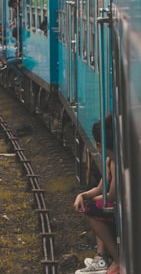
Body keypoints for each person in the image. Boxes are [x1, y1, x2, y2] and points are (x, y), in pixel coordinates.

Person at [73, 114, 119, 274]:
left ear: (100, 144)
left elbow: (112, 196)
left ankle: (118, 260)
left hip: (126, 206)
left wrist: (89, 201)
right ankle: (102, 258)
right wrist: (83, 196)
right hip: (120, 205)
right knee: (92, 205)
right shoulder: (110, 160)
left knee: (90, 209)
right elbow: (100, 189)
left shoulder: (117, 163)